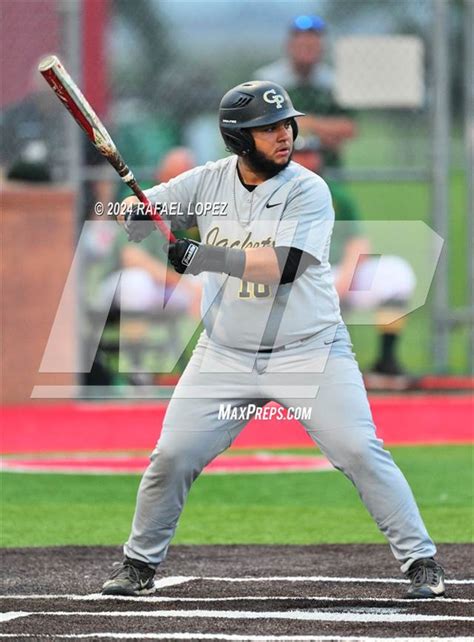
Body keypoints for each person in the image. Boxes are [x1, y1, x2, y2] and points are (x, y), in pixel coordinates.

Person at [101, 81, 444, 599]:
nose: (284, 136)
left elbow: (285, 265)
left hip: (310, 351)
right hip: (224, 354)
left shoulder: (309, 190)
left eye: (285, 124)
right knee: (171, 456)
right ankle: (138, 565)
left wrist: (203, 257)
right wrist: (133, 213)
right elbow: (146, 206)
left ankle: (421, 561)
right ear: (240, 139)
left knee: (358, 449)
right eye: (268, 128)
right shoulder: (208, 181)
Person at [292, 135, 417, 389]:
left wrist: (344, 280)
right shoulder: (274, 194)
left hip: (337, 272)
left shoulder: (336, 195)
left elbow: (359, 243)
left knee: (397, 275)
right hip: (295, 275)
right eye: (301, 154)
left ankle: (386, 361)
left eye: (312, 153)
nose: (308, 160)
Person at [253, 15, 356, 168]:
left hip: (327, 167)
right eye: (302, 44)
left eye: (312, 45)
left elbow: (348, 128)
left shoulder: (333, 83)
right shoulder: (267, 81)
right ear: (289, 46)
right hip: (278, 166)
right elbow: (260, 127)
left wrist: (308, 124)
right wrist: (325, 131)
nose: (307, 48)